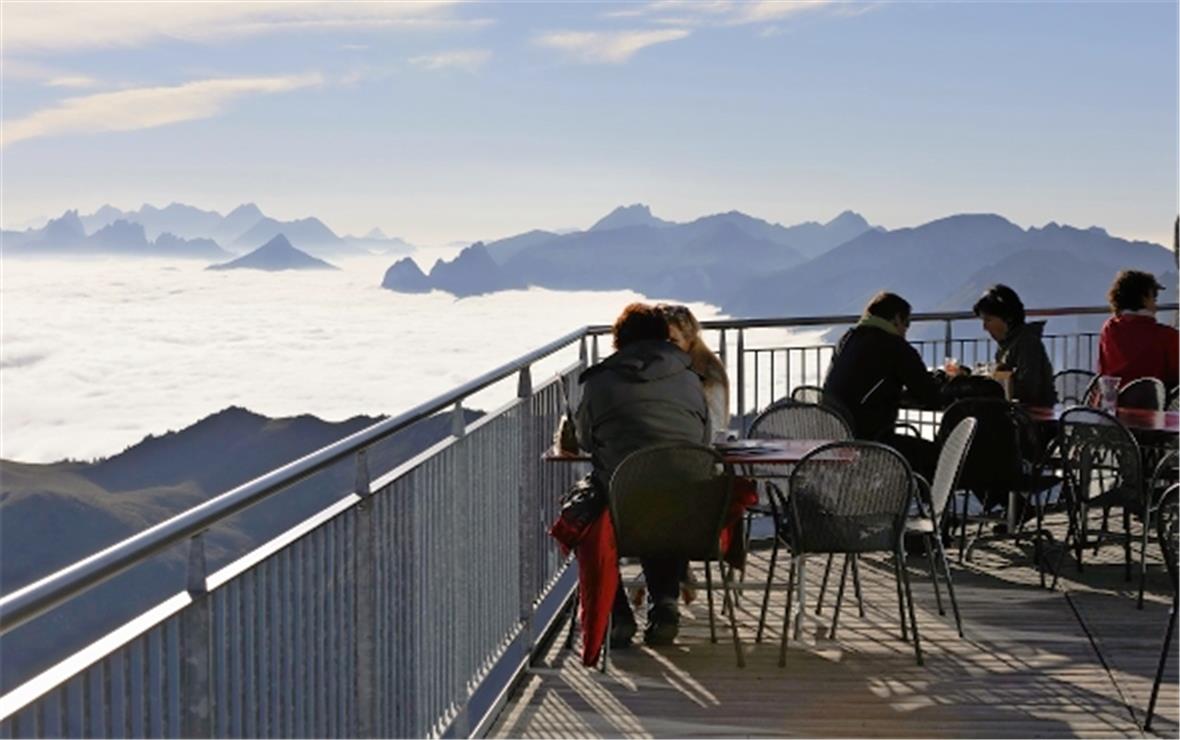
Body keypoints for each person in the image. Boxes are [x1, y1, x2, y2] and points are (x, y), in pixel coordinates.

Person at [575, 302, 709, 646]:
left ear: (619, 341)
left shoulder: (600, 382)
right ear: (663, 337)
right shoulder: (691, 379)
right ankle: (664, 605)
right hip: (688, 507)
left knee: (586, 513)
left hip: (622, 506)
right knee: (661, 498)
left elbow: (585, 440)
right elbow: (704, 438)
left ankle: (616, 614)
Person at [822, 291, 941, 478]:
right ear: (896, 319)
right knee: (940, 458)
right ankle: (918, 495)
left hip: (835, 437)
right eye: (907, 324)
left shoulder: (847, 339)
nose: (906, 330)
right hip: (872, 442)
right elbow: (930, 395)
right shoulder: (896, 347)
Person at [972, 284, 1057, 405]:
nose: (985, 327)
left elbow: (1028, 389)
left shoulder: (1027, 343)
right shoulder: (1007, 344)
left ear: (1008, 318)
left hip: (1032, 412)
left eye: (988, 320)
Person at [658, 304, 731, 439]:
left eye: (673, 341)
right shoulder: (659, 368)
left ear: (689, 340)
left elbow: (715, 426)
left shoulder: (709, 373)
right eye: (661, 340)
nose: (666, 347)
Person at [1097, 270, 1179, 388]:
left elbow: (1103, 369)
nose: (1156, 305)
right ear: (1144, 299)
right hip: (1153, 398)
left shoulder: (1109, 328)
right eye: (1154, 298)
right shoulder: (1167, 336)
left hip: (1114, 397)